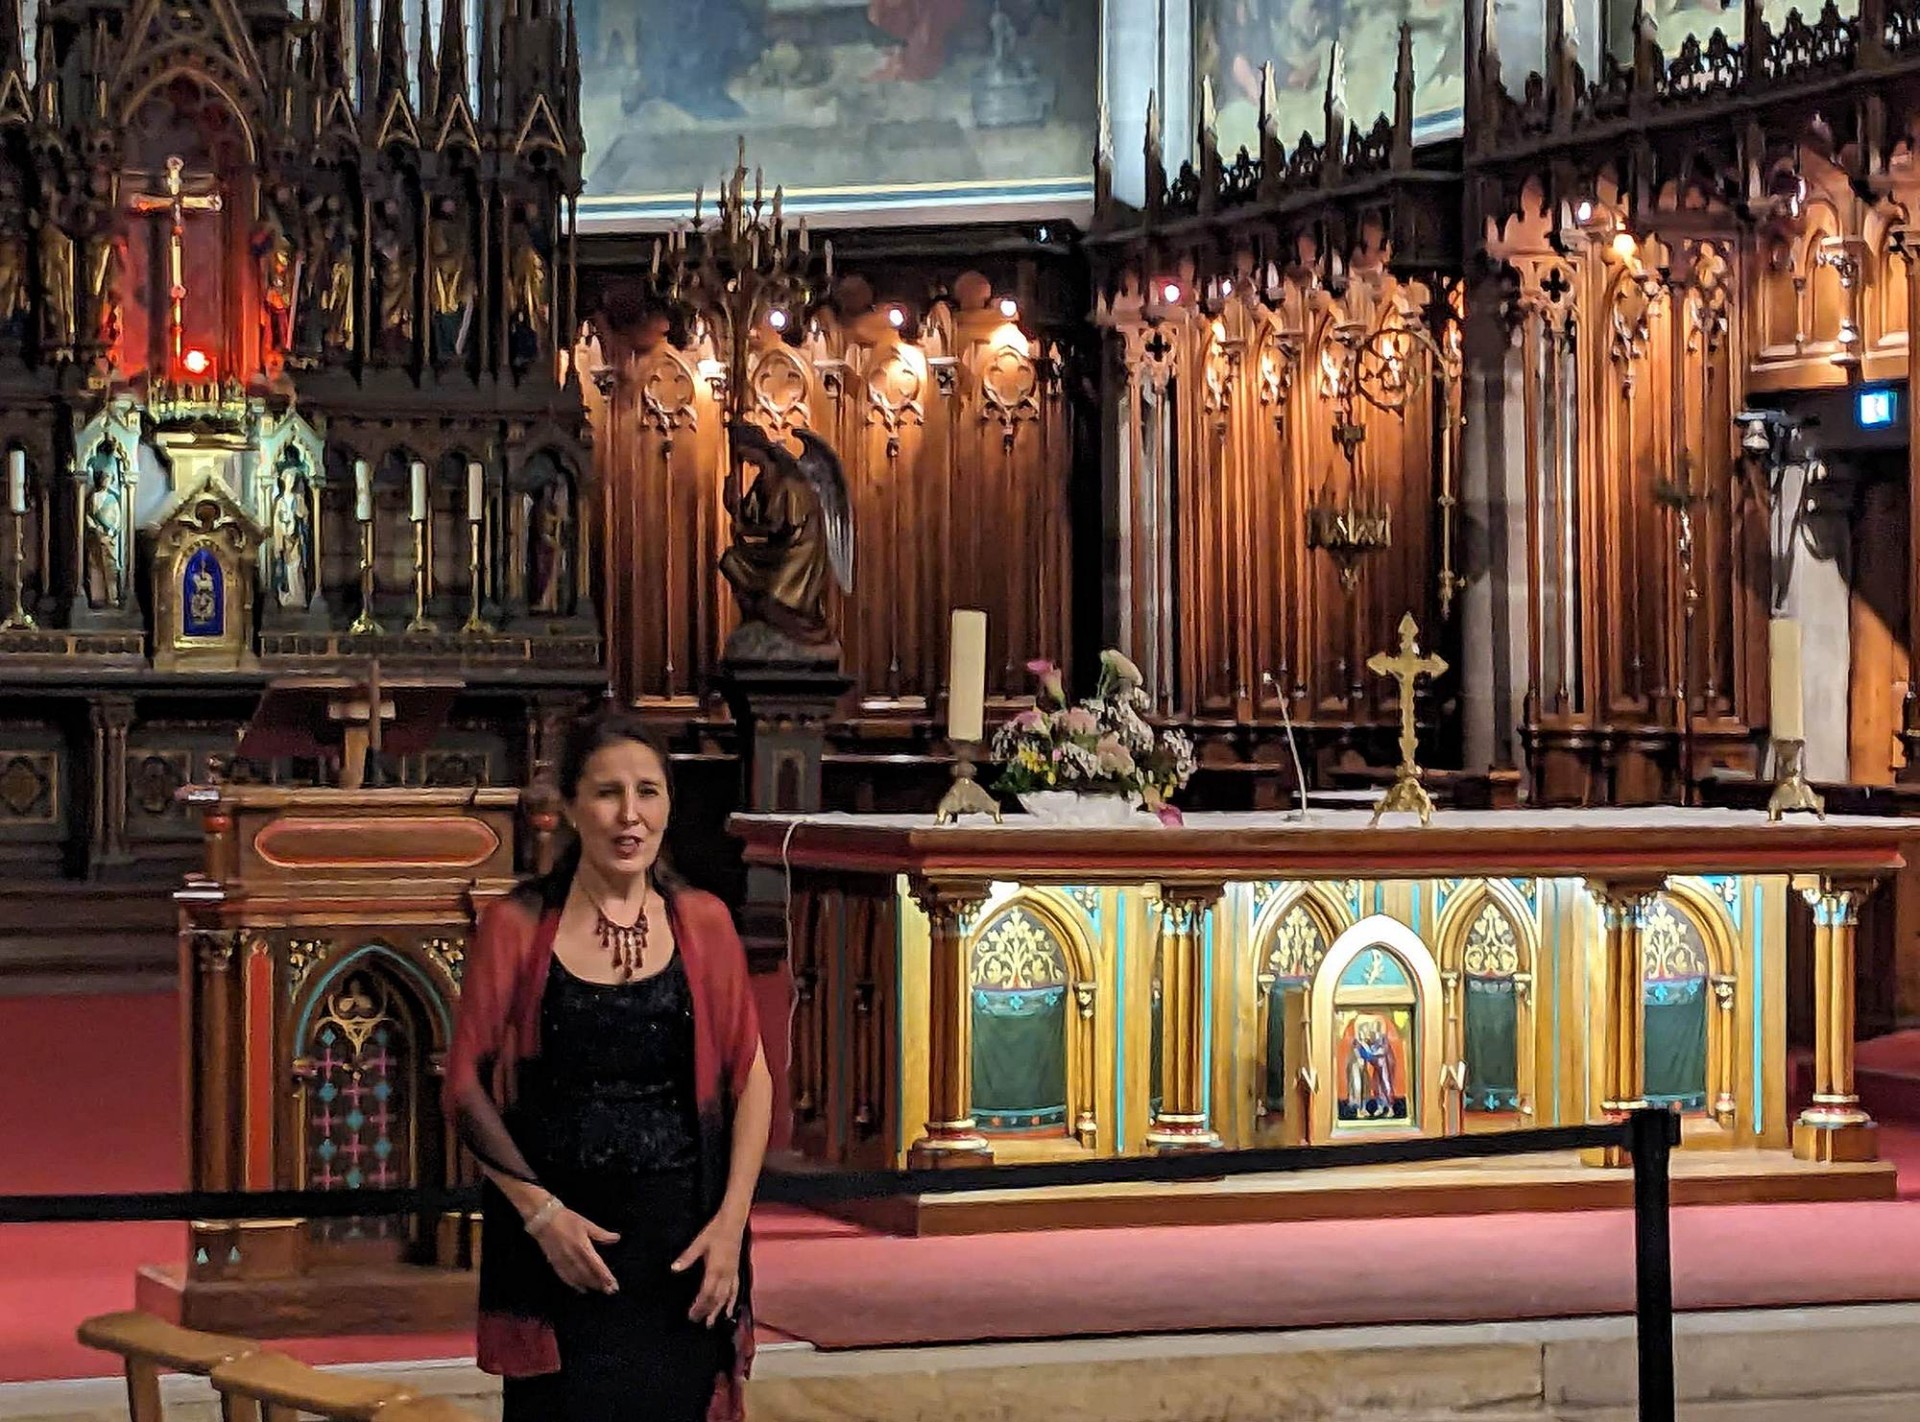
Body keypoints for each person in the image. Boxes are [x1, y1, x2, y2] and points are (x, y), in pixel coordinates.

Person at [445, 709, 772, 1422]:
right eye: (607, 793)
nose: (631, 815)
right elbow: (465, 1089)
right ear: (567, 807)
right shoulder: (518, 925)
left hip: (684, 1250)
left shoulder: (704, 921)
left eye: (648, 792)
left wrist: (730, 1227)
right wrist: (543, 1217)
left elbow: (752, 1080)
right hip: (562, 1253)